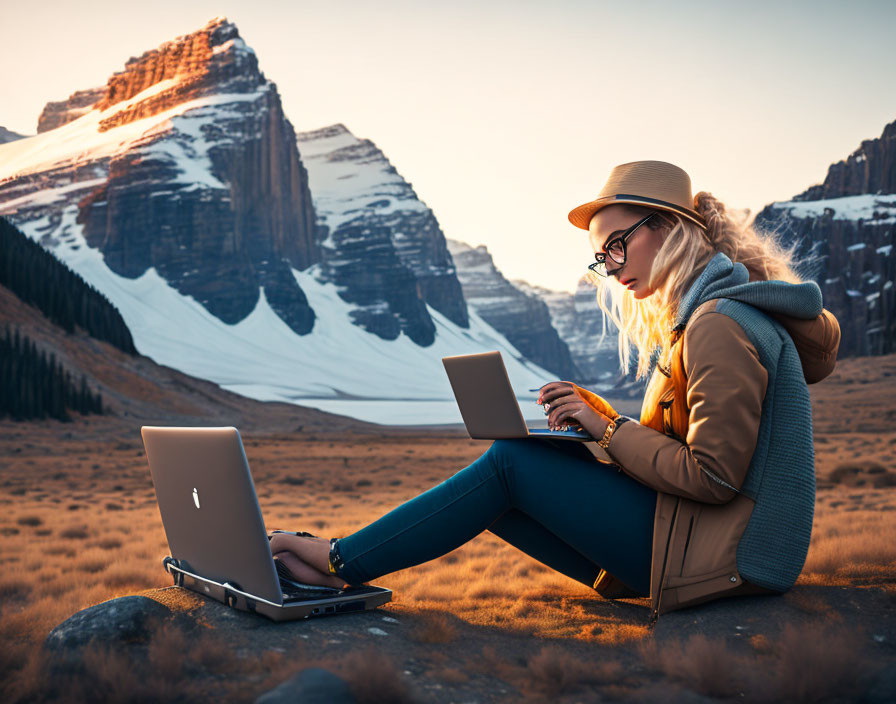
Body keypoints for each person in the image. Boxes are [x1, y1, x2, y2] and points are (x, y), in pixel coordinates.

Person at [269, 160, 841, 622]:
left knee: (509, 463)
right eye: (602, 255)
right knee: (512, 476)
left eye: (618, 244)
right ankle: (344, 560)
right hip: (697, 542)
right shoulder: (706, 319)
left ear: (667, 229)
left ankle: (339, 561)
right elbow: (689, 453)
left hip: (718, 557)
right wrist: (598, 424)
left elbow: (712, 477)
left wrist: (609, 431)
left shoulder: (716, 325)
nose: (611, 266)